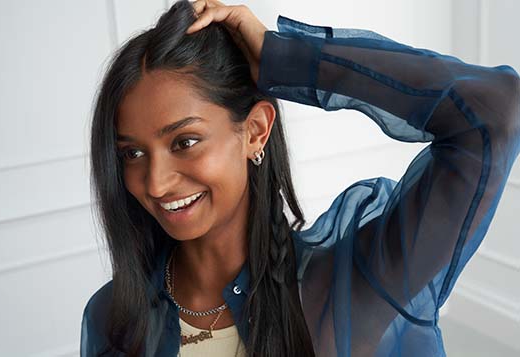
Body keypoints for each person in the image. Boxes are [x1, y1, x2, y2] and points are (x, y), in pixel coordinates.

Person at [80, 0, 520, 356]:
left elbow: (495, 114)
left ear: (255, 132)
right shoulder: (111, 319)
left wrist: (285, 60)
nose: (155, 184)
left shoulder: (346, 289)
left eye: (184, 142)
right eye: (132, 153)